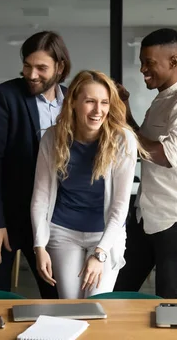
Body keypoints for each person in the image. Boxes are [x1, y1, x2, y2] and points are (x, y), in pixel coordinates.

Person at [31, 70, 142, 299]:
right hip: (63, 231)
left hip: (104, 233)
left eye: (104, 102)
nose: (98, 110)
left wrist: (100, 253)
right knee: (71, 303)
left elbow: (120, 207)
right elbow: (40, 198)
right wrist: (39, 246)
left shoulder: (123, 140)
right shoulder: (52, 138)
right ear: (73, 102)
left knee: (95, 303)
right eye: (90, 101)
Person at [0, 31, 71, 298]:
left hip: (53, 220)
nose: (31, 74)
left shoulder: (73, 101)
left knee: (56, 298)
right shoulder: (4, 96)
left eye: (41, 68)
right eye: (27, 66)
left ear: (60, 67)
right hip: (7, 214)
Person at [113, 28, 177, 299]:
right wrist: (124, 107)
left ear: (174, 62)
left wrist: (128, 140)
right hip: (146, 214)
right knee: (116, 291)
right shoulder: (163, 97)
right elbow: (143, 142)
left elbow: (168, 155)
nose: (143, 69)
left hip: (175, 219)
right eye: (142, 61)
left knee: (169, 301)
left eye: (149, 62)